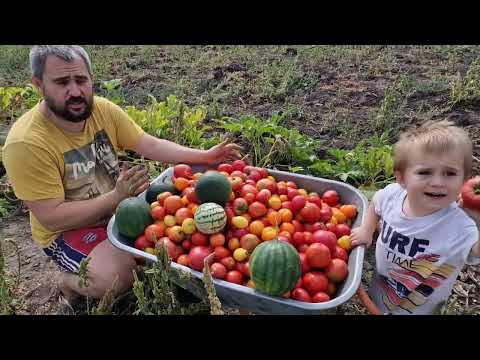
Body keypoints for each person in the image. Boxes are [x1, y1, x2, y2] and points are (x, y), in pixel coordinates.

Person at [1, 45, 242, 306]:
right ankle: (67, 281)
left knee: (171, 248)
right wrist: (116, 197)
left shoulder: (103, 110)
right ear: (39, 84)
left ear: (91, 78)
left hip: (118, 209)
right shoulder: (26, 143)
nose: (75, 91)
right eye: (61, 82)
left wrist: (205, 156)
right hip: (67, 231)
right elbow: (51, 217)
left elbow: (149, 144)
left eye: (81, 80)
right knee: (118, 278)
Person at [350, 120, 480, 315]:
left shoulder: (460, 225)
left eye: (450, 173)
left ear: (464, 180)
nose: (437, 182)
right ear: (402, 178)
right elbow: (377, 202)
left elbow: (477, 251)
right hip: (381, 290)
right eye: (425, 172)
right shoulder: (392, 196)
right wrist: (367, 230)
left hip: (421, 309)